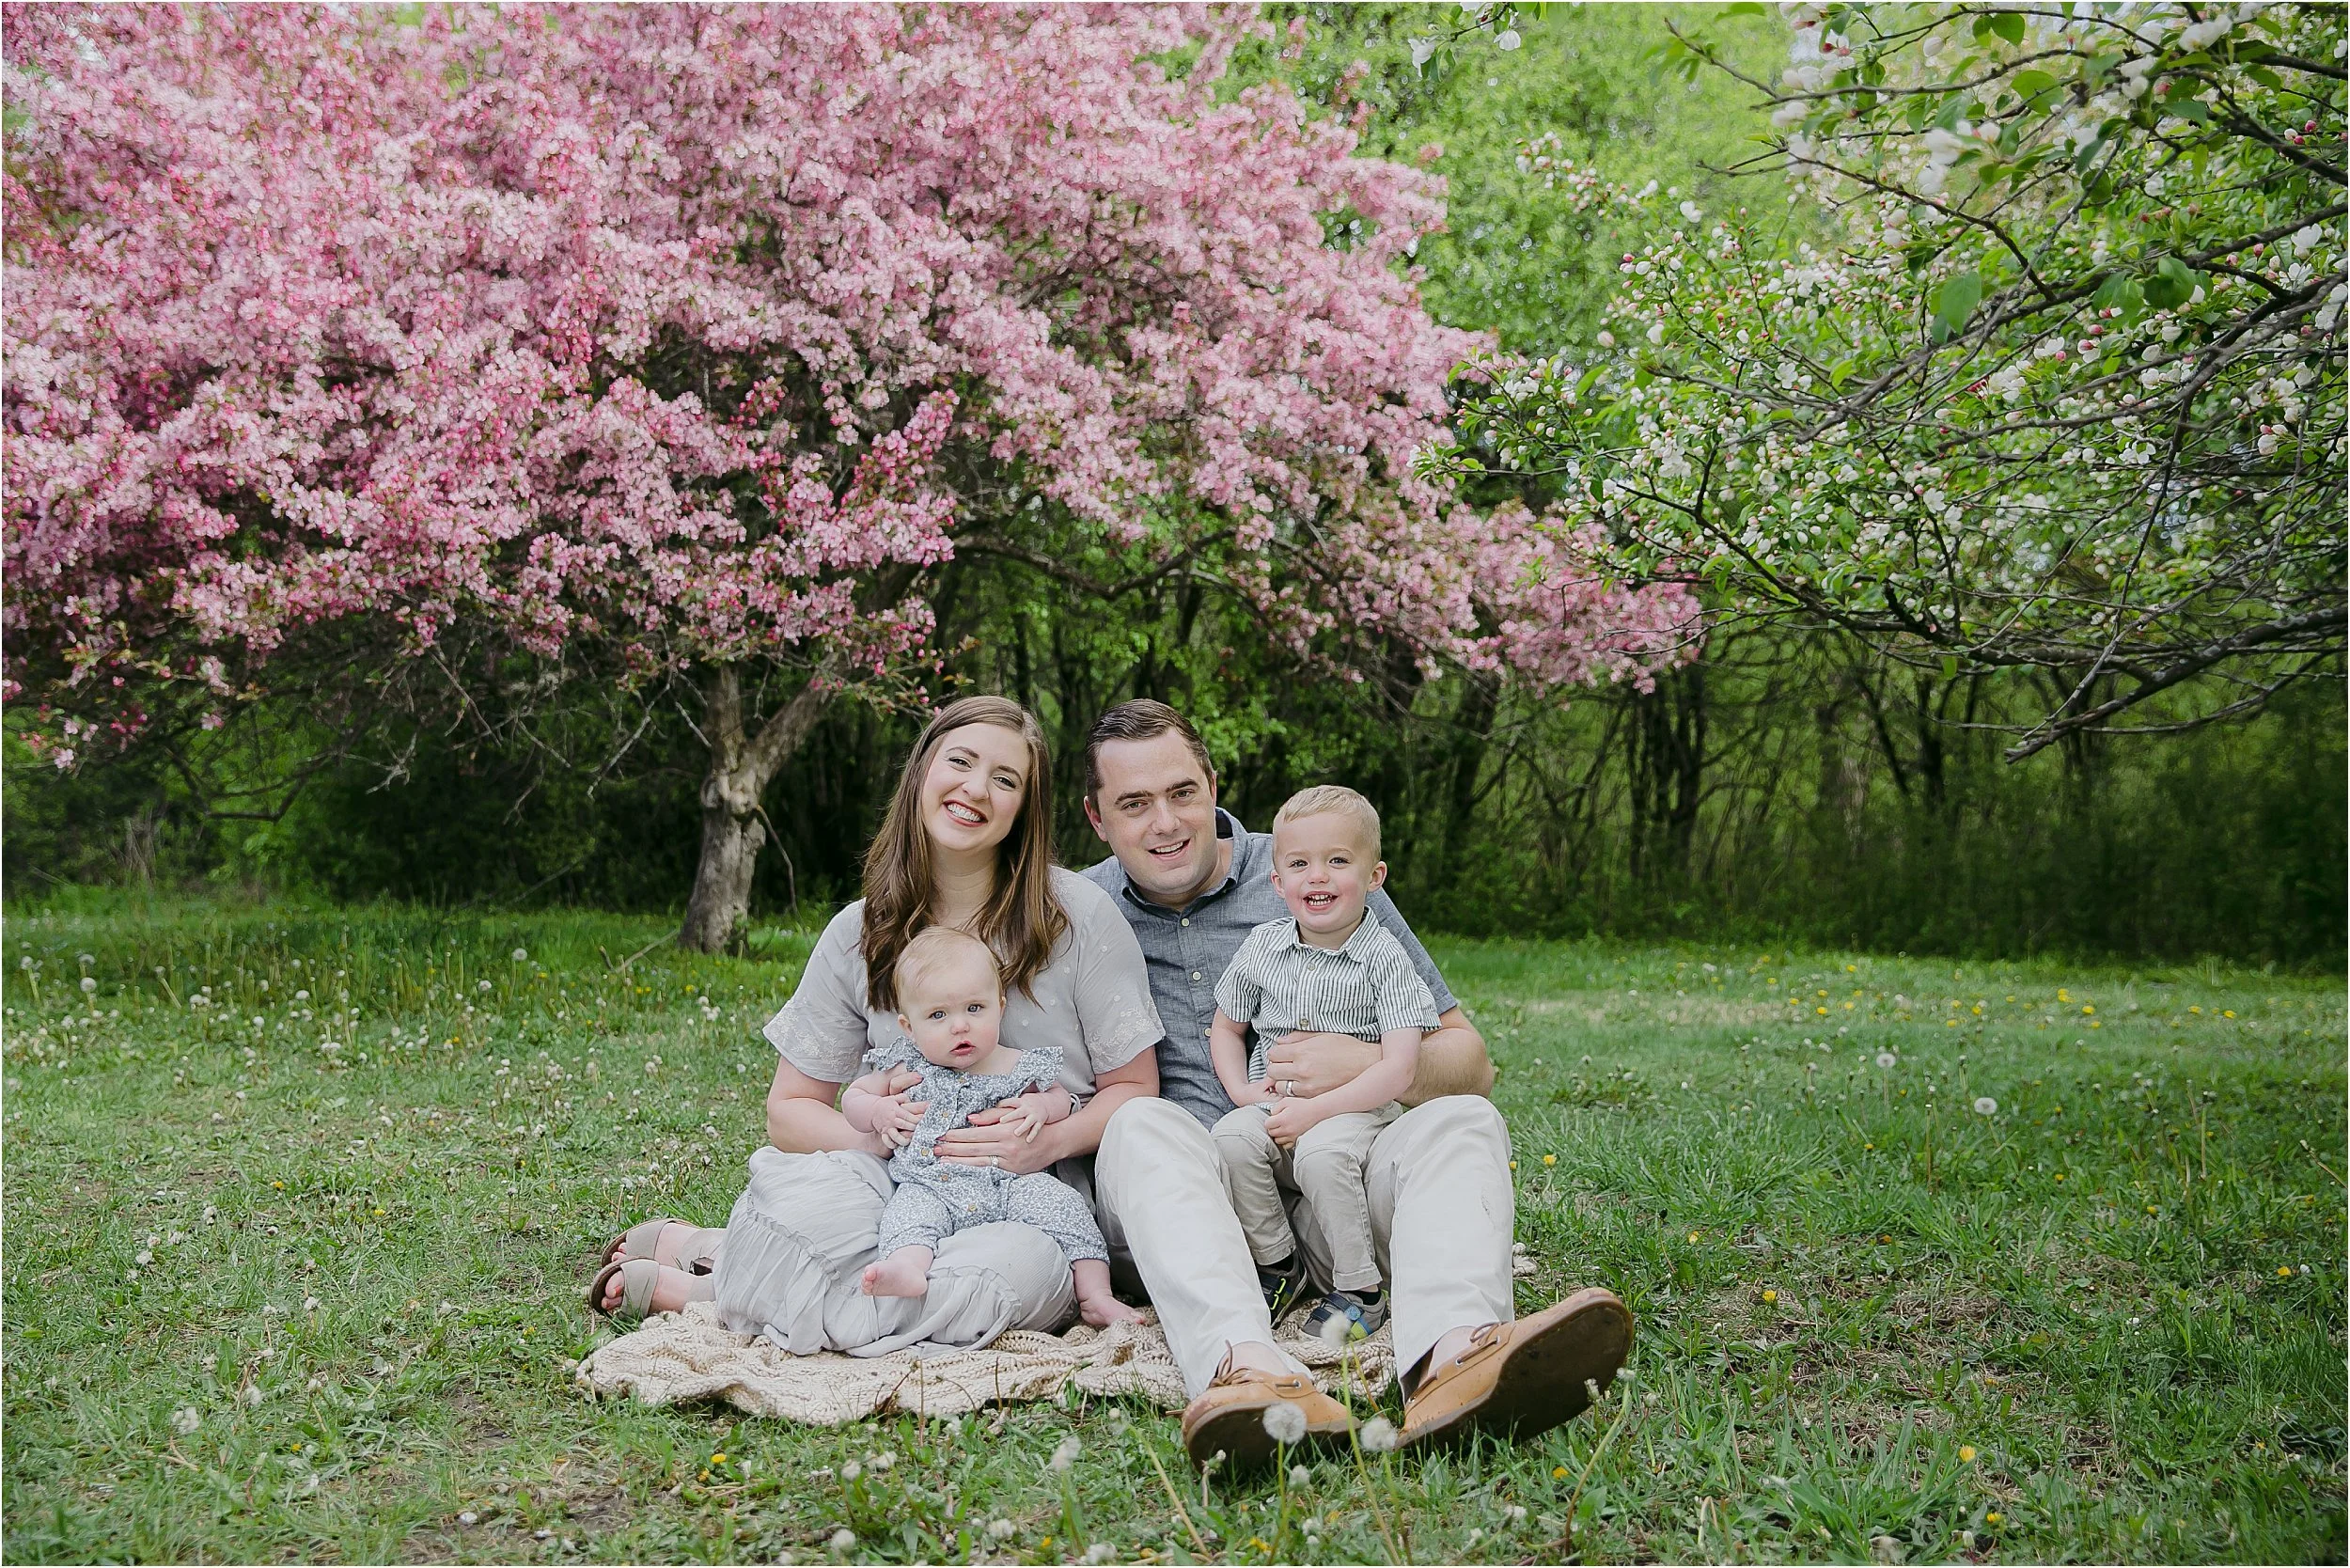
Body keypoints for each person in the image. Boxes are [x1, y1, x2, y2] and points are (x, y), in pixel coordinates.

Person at [1079, 699, 1634, 1464]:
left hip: (1337, 1197)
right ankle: (1247, 1370)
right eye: (1134, 805)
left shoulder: (1317, 863)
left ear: (1213, 784)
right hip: (1193, 1210)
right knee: (1138, 1123)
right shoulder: (1076, 909)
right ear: (1097, 819)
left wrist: (1369, 1063)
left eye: (1181, 793)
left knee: (1463, 1119)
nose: (1166, 823)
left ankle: (1453, 1363)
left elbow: (1472, 1063)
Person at [593, 695, 1167, 1357]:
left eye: (1006, 780)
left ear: (1024, 810)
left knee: (987, 1288)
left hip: (1029, 1200)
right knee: (796, 1203)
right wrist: (876, 1141)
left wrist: (1047, 1140)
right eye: (961, 762)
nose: (976, 789)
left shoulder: (1077, 917)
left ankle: (715, 1286)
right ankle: (732, 1258)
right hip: (899, 1184)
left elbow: (1134, 1087)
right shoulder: (857, 934)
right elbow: (790, 1111)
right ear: (923, 771)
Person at [1209, 785, 1438, 1346]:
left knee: (1322, 1153)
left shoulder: (1385, 957)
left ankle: (1360, 1289)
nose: (1317, 877)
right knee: (1232, 1139)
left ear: (1374, 877)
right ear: (1277, 881)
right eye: (1299, 864)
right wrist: (1242, 1092)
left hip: (1355, 1108)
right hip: (1277, 1101)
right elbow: (1226, 1026)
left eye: (1338, 861)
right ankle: (1278, 1264)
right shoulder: (1263, 946)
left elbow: (1400, 1071)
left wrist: (1317, 1111)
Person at [847, 926, 1137, 1327]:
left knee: (1065, 1208)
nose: (959, 1026)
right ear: (908, 1027)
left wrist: (1040, 1106)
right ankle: (906, 1268)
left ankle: (1095, 1295)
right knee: (908, 1216)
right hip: (932, 1183)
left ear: (1000, 1007)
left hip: (1012, 1181)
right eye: (938, 1016)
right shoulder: (905, 1064)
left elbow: (1062, 1100)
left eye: (974, 1009)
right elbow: (853, 1099)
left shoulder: (1018, 1064)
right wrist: (879, 1111)